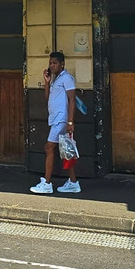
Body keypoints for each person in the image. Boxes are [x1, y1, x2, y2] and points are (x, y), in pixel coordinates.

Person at [30, 51, 80, 194]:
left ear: (62, 64)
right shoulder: (55, 79)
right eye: (50, 63)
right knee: (65, 149)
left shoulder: (67, 78)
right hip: (54, 118)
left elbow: (72, 100)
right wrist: (47, 82)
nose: (52, 65)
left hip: (61, 119)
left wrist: (70, 121)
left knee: (48, 147)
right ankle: (73, 182)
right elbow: (48, 98)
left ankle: (47, 183)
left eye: (55, 63)